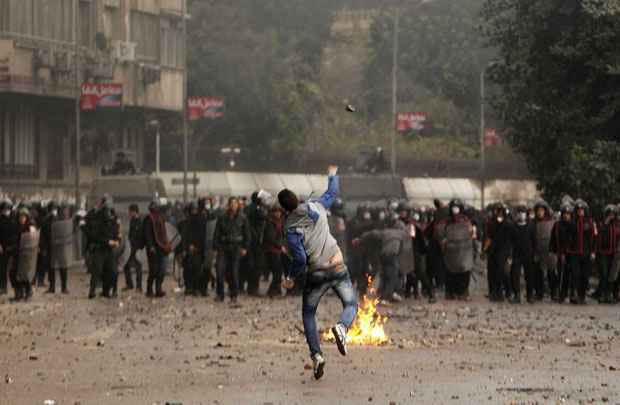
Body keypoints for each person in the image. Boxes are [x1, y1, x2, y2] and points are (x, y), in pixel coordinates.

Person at [279, 165, 358, 381]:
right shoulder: (317, 206)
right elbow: (332, 193)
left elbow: (301, 259)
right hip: (338, 265)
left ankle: (317, 355)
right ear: (297, 199)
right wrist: (332, 175)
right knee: (351, 305)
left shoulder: (290, 228)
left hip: (317, 273)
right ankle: (342, 327)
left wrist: (290, 277)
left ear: (283, 208)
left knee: (308, 314)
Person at [355, 212, 410, 304]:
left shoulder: (385, 232)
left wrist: (360, 239)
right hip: (392, 256)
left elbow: (372, 234)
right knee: (392, 277)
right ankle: (386, 297)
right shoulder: (401, 234)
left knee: (385, 276)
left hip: (383, 256)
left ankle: (385, 295)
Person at [213, 197, 250, 303]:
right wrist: (215, 247)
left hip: (236, 247)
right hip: (223, 247)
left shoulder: (243, 218)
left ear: (238, 205)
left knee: (233, 272)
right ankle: (220, 294)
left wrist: (245, 248)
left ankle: (234, 295)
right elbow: (217, 233)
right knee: (219, 271)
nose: (233, 206)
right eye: (231, 204)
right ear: (228, 205)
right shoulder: (222, 217)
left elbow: (247, 234)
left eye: (235, 204)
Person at [84, 196, 120, 299]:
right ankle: (92, 291)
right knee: (97, 271)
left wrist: (117, 240)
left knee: (112, 271)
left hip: (110, 249)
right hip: (99, 248)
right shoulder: (97, 216)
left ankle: (106, 291)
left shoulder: (113, 217)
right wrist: (107, 241)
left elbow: (116, 230)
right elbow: (93, 234)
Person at [441, 199, 474, 301]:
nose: (455, 209)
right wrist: (444, 241)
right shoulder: (446, 221)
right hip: (450, 250)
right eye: (453, 207)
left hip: (464, 249)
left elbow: (471, 233)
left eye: (457, 207)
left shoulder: (465, 220)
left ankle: (463, 292)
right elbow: (441, 233)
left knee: (464, 272)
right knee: (450, 272)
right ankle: (450, 292)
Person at [566, 199, 596, 305]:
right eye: (578, 210)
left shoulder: (590, 223)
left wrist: (593, 251)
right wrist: (568, 250)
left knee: (585, 275)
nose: (580, 212)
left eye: (582, 210)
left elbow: (594, 237)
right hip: (574, 253)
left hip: (586, 253)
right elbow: (568, 238)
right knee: (575, 274)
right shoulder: (572, 223)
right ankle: (575, 294)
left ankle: (582, 296)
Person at [483, 202, 513, 302]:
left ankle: (506, 292)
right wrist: (484, 250)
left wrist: (510, 255)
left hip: (504, 251)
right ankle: (493, 293)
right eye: (496, 211)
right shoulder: (490, 223)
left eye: (499, 211)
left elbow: (512, 240)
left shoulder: (509, 224)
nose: (498, 213)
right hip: (493, 251)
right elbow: (489, 238)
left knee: (503, 272)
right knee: (492, 273)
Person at [144, 199, 172, 298]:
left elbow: (164, 233)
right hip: (153, 248)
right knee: (154, 270)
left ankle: (158, 289)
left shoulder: (160, 218)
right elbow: (147, 234)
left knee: (162, 270)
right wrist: (150, 246)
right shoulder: (148, 218)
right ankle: (149, 289)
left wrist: (167, 244)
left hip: (162, 247)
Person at [509, 205, 536, 304]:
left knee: (529, 275)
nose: (521, 215)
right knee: (515, 274)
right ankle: (517, 295)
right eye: (519, 213)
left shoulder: (531, 226)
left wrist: (535, 253)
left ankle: (530, 296)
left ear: (526, 214)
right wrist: (510, 255)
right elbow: (510, 241)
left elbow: (534, 240)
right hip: (516, 254)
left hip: (528, 254)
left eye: (523, 212)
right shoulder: (512, 227)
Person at [182, 201, 208, 296]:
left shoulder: (202, 219)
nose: (194, 211)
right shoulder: (188, 221)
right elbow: (186, 235)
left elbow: (203, 234)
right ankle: (191, 287)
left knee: (198, 268)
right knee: (190, 268)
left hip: (200, 248)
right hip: (192, 248)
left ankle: (197, 288)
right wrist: (187, 247)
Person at [550, 203, 574, 303]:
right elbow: (553, 239)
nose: (566, 215)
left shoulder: (573, 225)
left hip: (572, 253)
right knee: (559, 274)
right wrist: (552, 251)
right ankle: (560, 294)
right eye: (564, 213)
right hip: (560, 252)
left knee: (570, 274)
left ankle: (570, 293)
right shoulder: (557, 225)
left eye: (568, 214)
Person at [596, 205, 617, 303]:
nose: (611, 216)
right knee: (603, 274)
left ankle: (608, 295)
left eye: (613, 214)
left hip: (613, 253)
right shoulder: (602, 224)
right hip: (603, 253)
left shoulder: (616, 225)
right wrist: (606, 222)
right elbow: (599, 235)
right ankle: (602, 295)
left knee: (611, 275)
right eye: (609, 214)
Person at [263, 206, 286, 297]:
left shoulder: (280, 222)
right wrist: (280, 246)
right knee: (277, 271)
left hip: (277, 250)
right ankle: (272, 291)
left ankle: (277, 290)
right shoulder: (270, 222)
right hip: (271, 250)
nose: (278, 213)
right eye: (276, 212)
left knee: (278, 271)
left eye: (279, 212)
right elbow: (270, 237)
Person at [123, 204, 144, 291]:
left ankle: (138, 286)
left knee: (137, 266)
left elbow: (141, 236)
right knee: (127, 266)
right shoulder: (132, 220)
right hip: (131, 247)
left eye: (130, 211)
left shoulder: (139, 221)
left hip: (137, 247)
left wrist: (139, 248)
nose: (129, 213)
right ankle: (131, 285)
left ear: (134, 211)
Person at [0, 199, 17, 295]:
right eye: (5, 209)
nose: (6, 210)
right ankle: (3, 286)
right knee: (2, 268)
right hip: (2, 247)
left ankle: (16, 288)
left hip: (12, 247)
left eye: (8, 209)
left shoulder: (13, 219)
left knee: (12, 269)